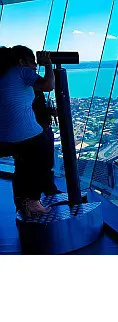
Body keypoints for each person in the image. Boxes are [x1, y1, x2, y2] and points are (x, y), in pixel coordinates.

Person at [0, 45, 58, 216]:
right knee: (44, 155)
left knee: (24, 164)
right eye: (32, 62)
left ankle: (22, 202)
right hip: (23, 133)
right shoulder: (20, 72)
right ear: (20, 62)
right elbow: (48, 85)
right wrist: (48, 64)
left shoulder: (2, 75)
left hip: (3, 138)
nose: (34, 66)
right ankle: (32, 201)